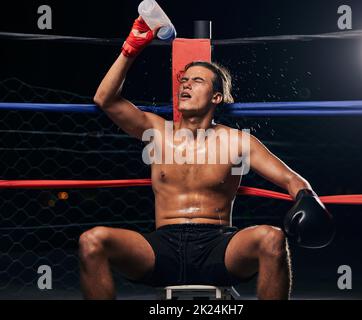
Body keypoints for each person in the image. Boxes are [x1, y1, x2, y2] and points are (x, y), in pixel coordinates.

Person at [79, 16, 334, 300]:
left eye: (196, 81)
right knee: (93, 241)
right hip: (162, 248)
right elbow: (105, 99)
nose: (185, 86)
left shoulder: (237, 141)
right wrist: (131, 49)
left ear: (216, 97)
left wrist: (308, 199)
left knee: (272, 238)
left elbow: (291, 179)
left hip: (219, 247)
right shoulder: (156, 131)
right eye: (183, 81)